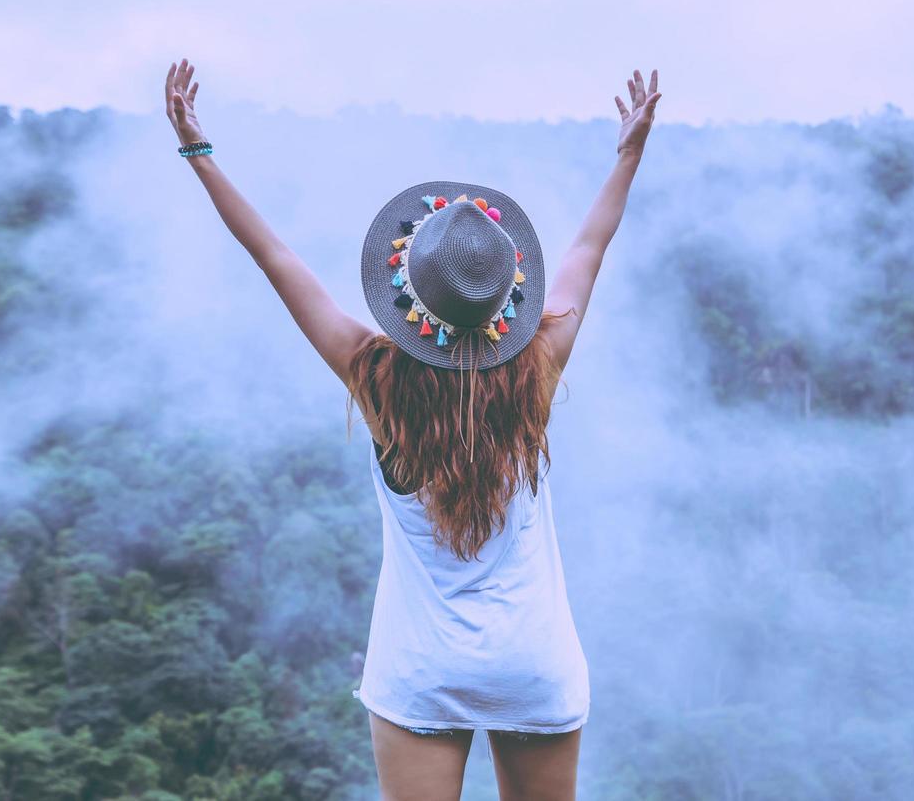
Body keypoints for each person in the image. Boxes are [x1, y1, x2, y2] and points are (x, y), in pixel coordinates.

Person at [164, 59, 662, 801]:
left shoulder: (377, 380)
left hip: (421, 668)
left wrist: (199, 153)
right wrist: (627, 156)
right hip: (534, 658)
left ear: (410, 301)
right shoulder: (539, 371)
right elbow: (589, 252)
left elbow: (275, 258)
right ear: (506, 302)